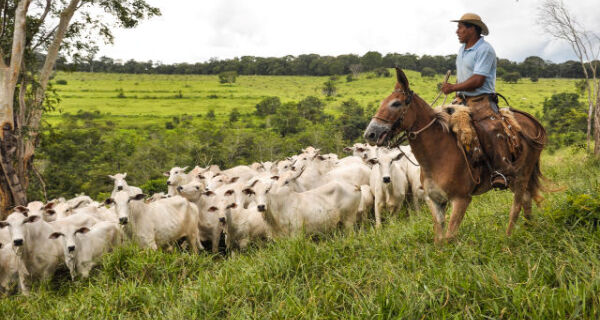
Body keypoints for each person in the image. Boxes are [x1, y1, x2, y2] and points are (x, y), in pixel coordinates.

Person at [441, 13, 513, 190]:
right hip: (463, 99)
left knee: (490, 129)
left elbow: (478, 80)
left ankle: (500, 171)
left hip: (482, 100)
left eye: (461, 28)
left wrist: (454, 88)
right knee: (438, 123)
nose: (457, 31)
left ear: (472, 29)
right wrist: (457, 93)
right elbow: (465, 77)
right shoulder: (462, 49)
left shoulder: (485, 50)